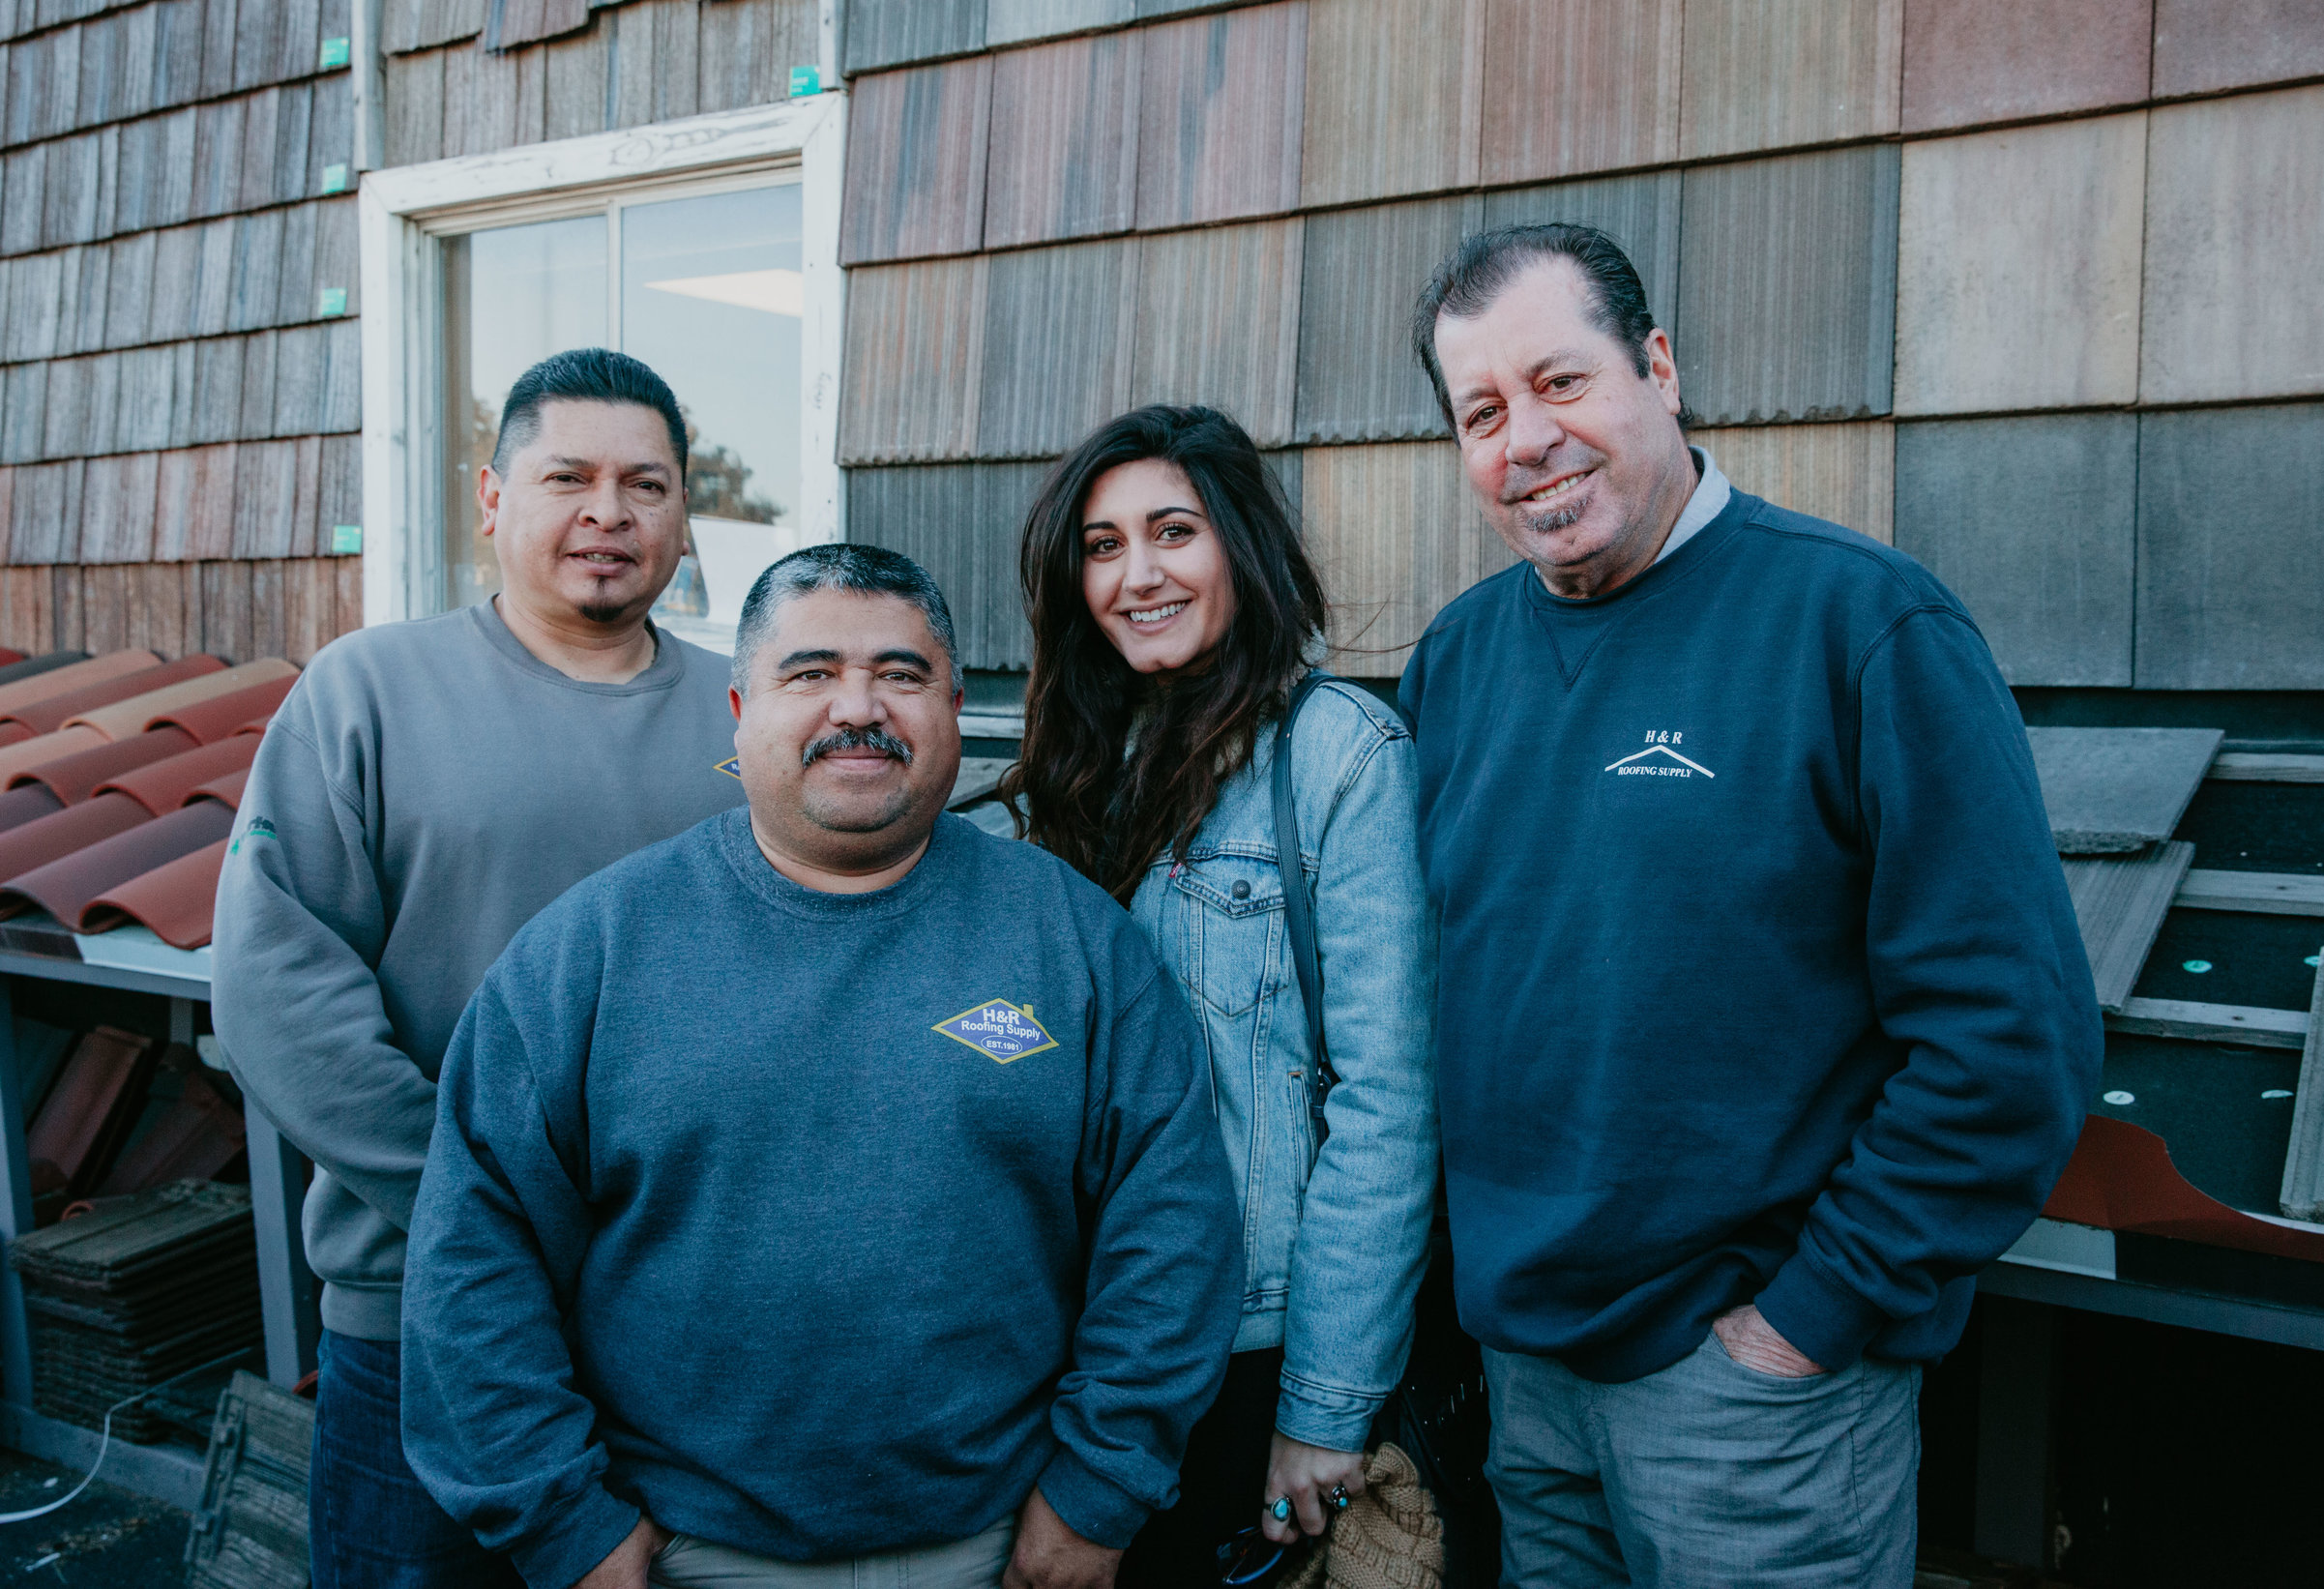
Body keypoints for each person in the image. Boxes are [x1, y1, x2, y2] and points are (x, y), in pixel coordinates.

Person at [1399, 222, 2103, 1586]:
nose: (1526, 440)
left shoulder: (1861, 625)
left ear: (1658, 368)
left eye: (1560, 382)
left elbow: (2011, 1039)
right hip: (1526, 1377)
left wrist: (1805, 1320)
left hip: (1754, 1403)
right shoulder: (1459, 660)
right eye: (1482, 413)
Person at [398, 544, 1245, 1589]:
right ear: (739, 709)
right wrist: (567, 1528)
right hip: (680, 1552)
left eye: (901, 673)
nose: (858, 706)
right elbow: (473, 1260)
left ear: (953, 705)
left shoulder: (1073, 938)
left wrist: (1099, 1489)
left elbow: (1172, 1229)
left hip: (1003, 1545)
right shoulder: (588, 954)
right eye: (810, 673)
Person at [214, 349, 744, 1587]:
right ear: (493, 498)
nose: (609, 512)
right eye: (569, 477)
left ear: (682, 515)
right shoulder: (368, 690)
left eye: (647, 484)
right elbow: (279, 992)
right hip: (427, 1312)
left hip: (690, 1322)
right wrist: (484, 1207)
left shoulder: (752, 714)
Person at [1008, 405, 1438, 1585]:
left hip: (1250, 1340)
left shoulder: (1341, 755)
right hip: (1086, 1334)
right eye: (1102, 545)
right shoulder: (1080, 755)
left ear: (1241, 544)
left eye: (1172, 531)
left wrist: (1323, 1404)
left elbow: (1386, 1105)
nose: (1137, 574)